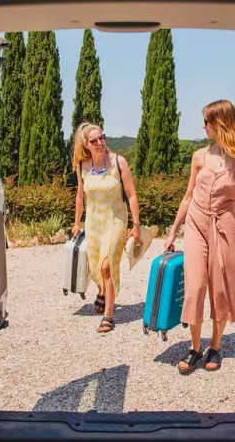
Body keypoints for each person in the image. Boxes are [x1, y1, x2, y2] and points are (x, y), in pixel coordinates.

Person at [164, 99, 235, 374]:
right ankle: (195, 347)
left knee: (220, 289)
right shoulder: (199, 157)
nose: (203, 126)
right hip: (195, 223)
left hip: (224, 227)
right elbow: (188, 196)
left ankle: (215, 345)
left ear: (220, 124)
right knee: (195, 286)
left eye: (207, 122)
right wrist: (172, 232)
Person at [72, 122, 141, 333]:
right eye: (94, 140)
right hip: (94, 224)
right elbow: (80, 195)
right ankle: (102, 291)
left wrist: (136, 225)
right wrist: (76, 223)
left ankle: (108, 315)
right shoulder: (82, 166)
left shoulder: (118, 162)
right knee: (96, 267)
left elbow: (131, 194)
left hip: (116, 222)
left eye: (102, 138)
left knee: (106, 266)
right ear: (86, 144)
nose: (100, 142)